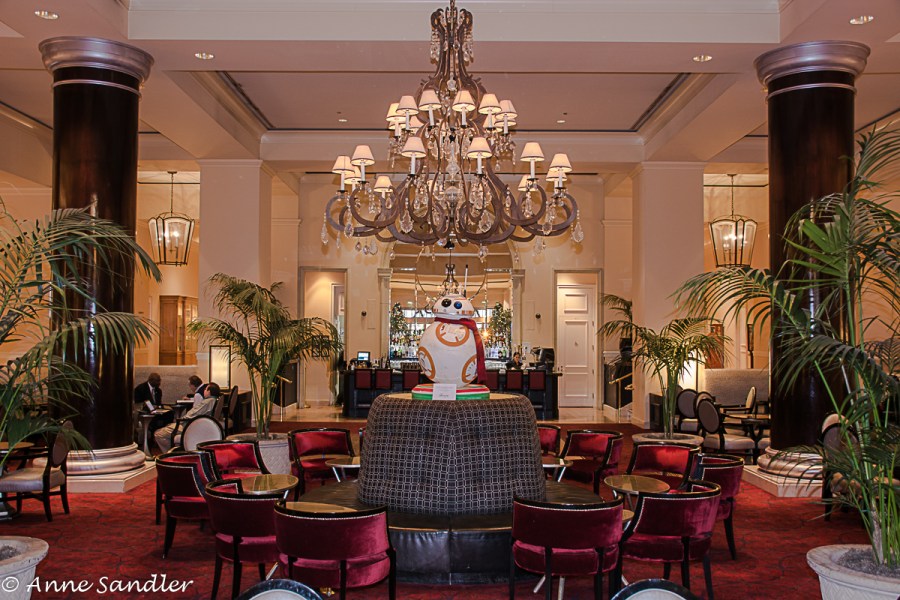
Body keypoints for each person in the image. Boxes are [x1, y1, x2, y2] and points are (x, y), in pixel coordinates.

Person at [155, 382, 221, 453]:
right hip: (196, 424)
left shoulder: (207, 402)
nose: (204, 391)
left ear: (209, 391)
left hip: (188, 425)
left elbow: (192, 414)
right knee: (167, 427)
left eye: (205, 389)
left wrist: (181, 419)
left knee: (159, 434)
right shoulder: (213, 400)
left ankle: (170, 454)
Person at [134, 373, 173, 443]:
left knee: (170, 413)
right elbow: (137, 404)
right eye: (157, 381)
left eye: (159, 380)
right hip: (144, 411)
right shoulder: (141, 389)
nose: (159, 383)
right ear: (151, 380)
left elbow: (158, 403)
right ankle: (152, 438)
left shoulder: (158, 390)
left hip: (156, 411)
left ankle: (163, 435)